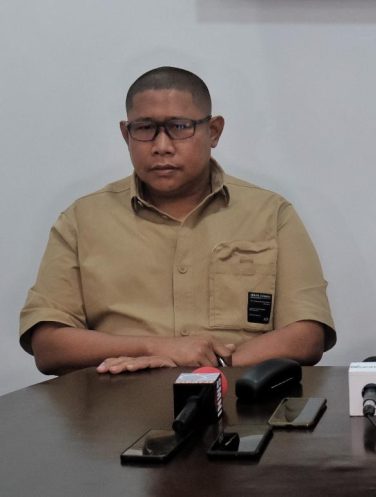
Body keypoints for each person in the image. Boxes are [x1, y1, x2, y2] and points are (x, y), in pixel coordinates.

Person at [20, 66, 335, 375]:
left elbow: (307, 336)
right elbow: (47, 345)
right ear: (125, 134)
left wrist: (212, 364)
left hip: (240, 407)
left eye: (180, 127)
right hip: (114, 409)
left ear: (213, 131)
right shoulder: (82, 220)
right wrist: (155, 348)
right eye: (144, 128)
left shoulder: (269, 213)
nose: (162, 146)